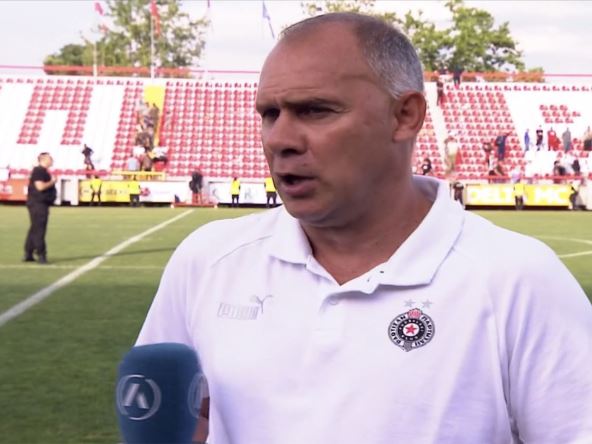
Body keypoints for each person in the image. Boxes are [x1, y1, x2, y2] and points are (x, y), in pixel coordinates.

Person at [135, 13, 592, 444]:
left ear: (405, 116)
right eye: (269, 114)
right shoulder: (208, 261)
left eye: (315, 110)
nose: (279, 140)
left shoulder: (516, 279)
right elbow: (165, 412)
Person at [24, 152, 57, 264]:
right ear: (44, 160)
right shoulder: (39, 171)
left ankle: (28, 253)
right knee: (39, 230)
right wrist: (52, 182)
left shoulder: (41, 171)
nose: (52, 160)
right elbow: (40, 186)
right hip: (38, 204)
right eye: (50, 158)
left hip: (38, 203)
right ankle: (41, 254)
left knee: (34, 228)